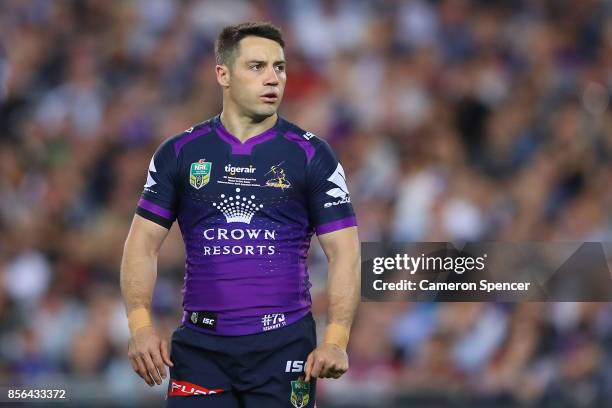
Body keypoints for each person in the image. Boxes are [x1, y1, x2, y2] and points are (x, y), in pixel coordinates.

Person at [120, 21, 360, 408]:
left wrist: (335, 339)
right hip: (200, 350)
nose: (273, 78)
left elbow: (345, 251)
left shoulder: (312, 155)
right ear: (223, 74)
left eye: (279, 67)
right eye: (256, 66)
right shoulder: (179, 153)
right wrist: (140, 326)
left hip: (284, 347)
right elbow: (142, 244)